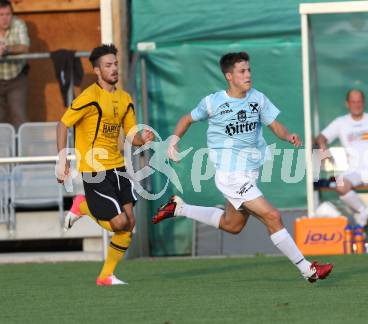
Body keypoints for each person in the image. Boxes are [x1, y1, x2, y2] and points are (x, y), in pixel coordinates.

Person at [152, 52, 333, 283]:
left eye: (249, 70)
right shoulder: (213, 102)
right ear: (229, 76)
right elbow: (187, 118)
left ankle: (179, 209)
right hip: (231, 175)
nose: (248, 75)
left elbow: (274, 125)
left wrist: (288, 136)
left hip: (250, 173)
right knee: (273, 216)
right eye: (242, 71)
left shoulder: (257, 98)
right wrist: (174, 140)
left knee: (232, 225)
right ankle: (308, 269)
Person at [56, 44, 154, 286]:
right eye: (108, 65)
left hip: (118, 166)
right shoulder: (89, 96)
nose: (114, 69)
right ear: (97, 70)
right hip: (94, 169)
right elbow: (63, 124)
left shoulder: (124, 99)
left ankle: (105, 276)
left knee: (129, 223)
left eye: (116, 64)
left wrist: (143, 139)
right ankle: (83, 206)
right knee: (119, 223)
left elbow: (131, 133)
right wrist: (62, 159)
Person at [315, 89, 368, 231]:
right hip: (354, 170)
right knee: (340, 185)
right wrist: (323, 148)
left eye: (359, 101)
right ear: (347, 104)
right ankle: (367, 215)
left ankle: (363, 217)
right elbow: (321, 137)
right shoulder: (341, 122)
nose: (356, 105)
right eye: (353, 101)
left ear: (364, 102)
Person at [0, 0, 29, 129]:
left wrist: (6, 50)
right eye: (1, 15)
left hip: (16, 78)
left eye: (8, 14)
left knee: (19, 116)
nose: (5, 18)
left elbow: (24, 47)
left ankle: (20, 149)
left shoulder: (19, 24)